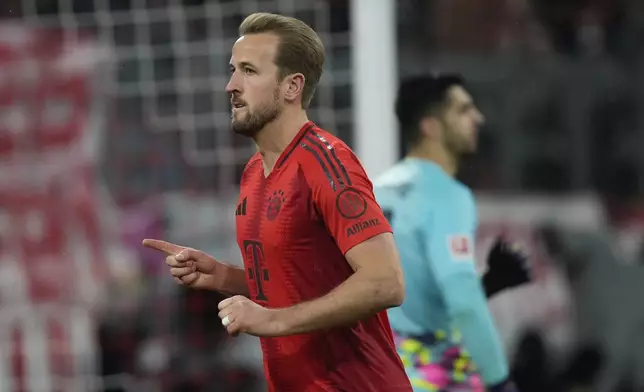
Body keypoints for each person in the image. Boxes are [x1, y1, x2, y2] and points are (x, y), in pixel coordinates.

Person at [143, 12, 413, 392]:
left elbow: (387, 283)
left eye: (250, 72)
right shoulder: (255, 172)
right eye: (233, 70)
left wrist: (272, 322)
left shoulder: (326, 162)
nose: (231, 86)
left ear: (291, 87)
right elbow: (291, 288)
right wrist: (222, 277)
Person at [374, 74, 531, 392]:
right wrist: (499, 380)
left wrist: (487, 283)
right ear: (430, 126)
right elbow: (462, 303)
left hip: (373, 370)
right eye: (463, 110)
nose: (478, 118)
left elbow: (407, 305)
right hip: (423, 373)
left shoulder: (375, 189)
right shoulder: (446, 195)